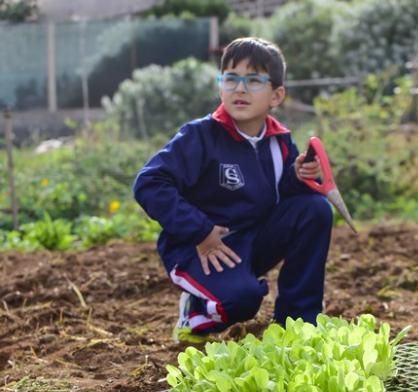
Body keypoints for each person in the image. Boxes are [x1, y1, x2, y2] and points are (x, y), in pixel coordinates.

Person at [133, 37, 333, 343]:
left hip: (251, 242)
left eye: (253, 80)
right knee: (241, 301)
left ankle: (297, 324)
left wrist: (296, 175)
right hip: (197, 249)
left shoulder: (279, 141)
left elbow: (282, 197)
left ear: (276, 95)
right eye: (230, 79)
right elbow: (149, 183)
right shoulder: (199, 136)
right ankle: (196, 312)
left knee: (315, 209)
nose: (240, 89)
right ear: (220, 86)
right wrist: (200, 232)